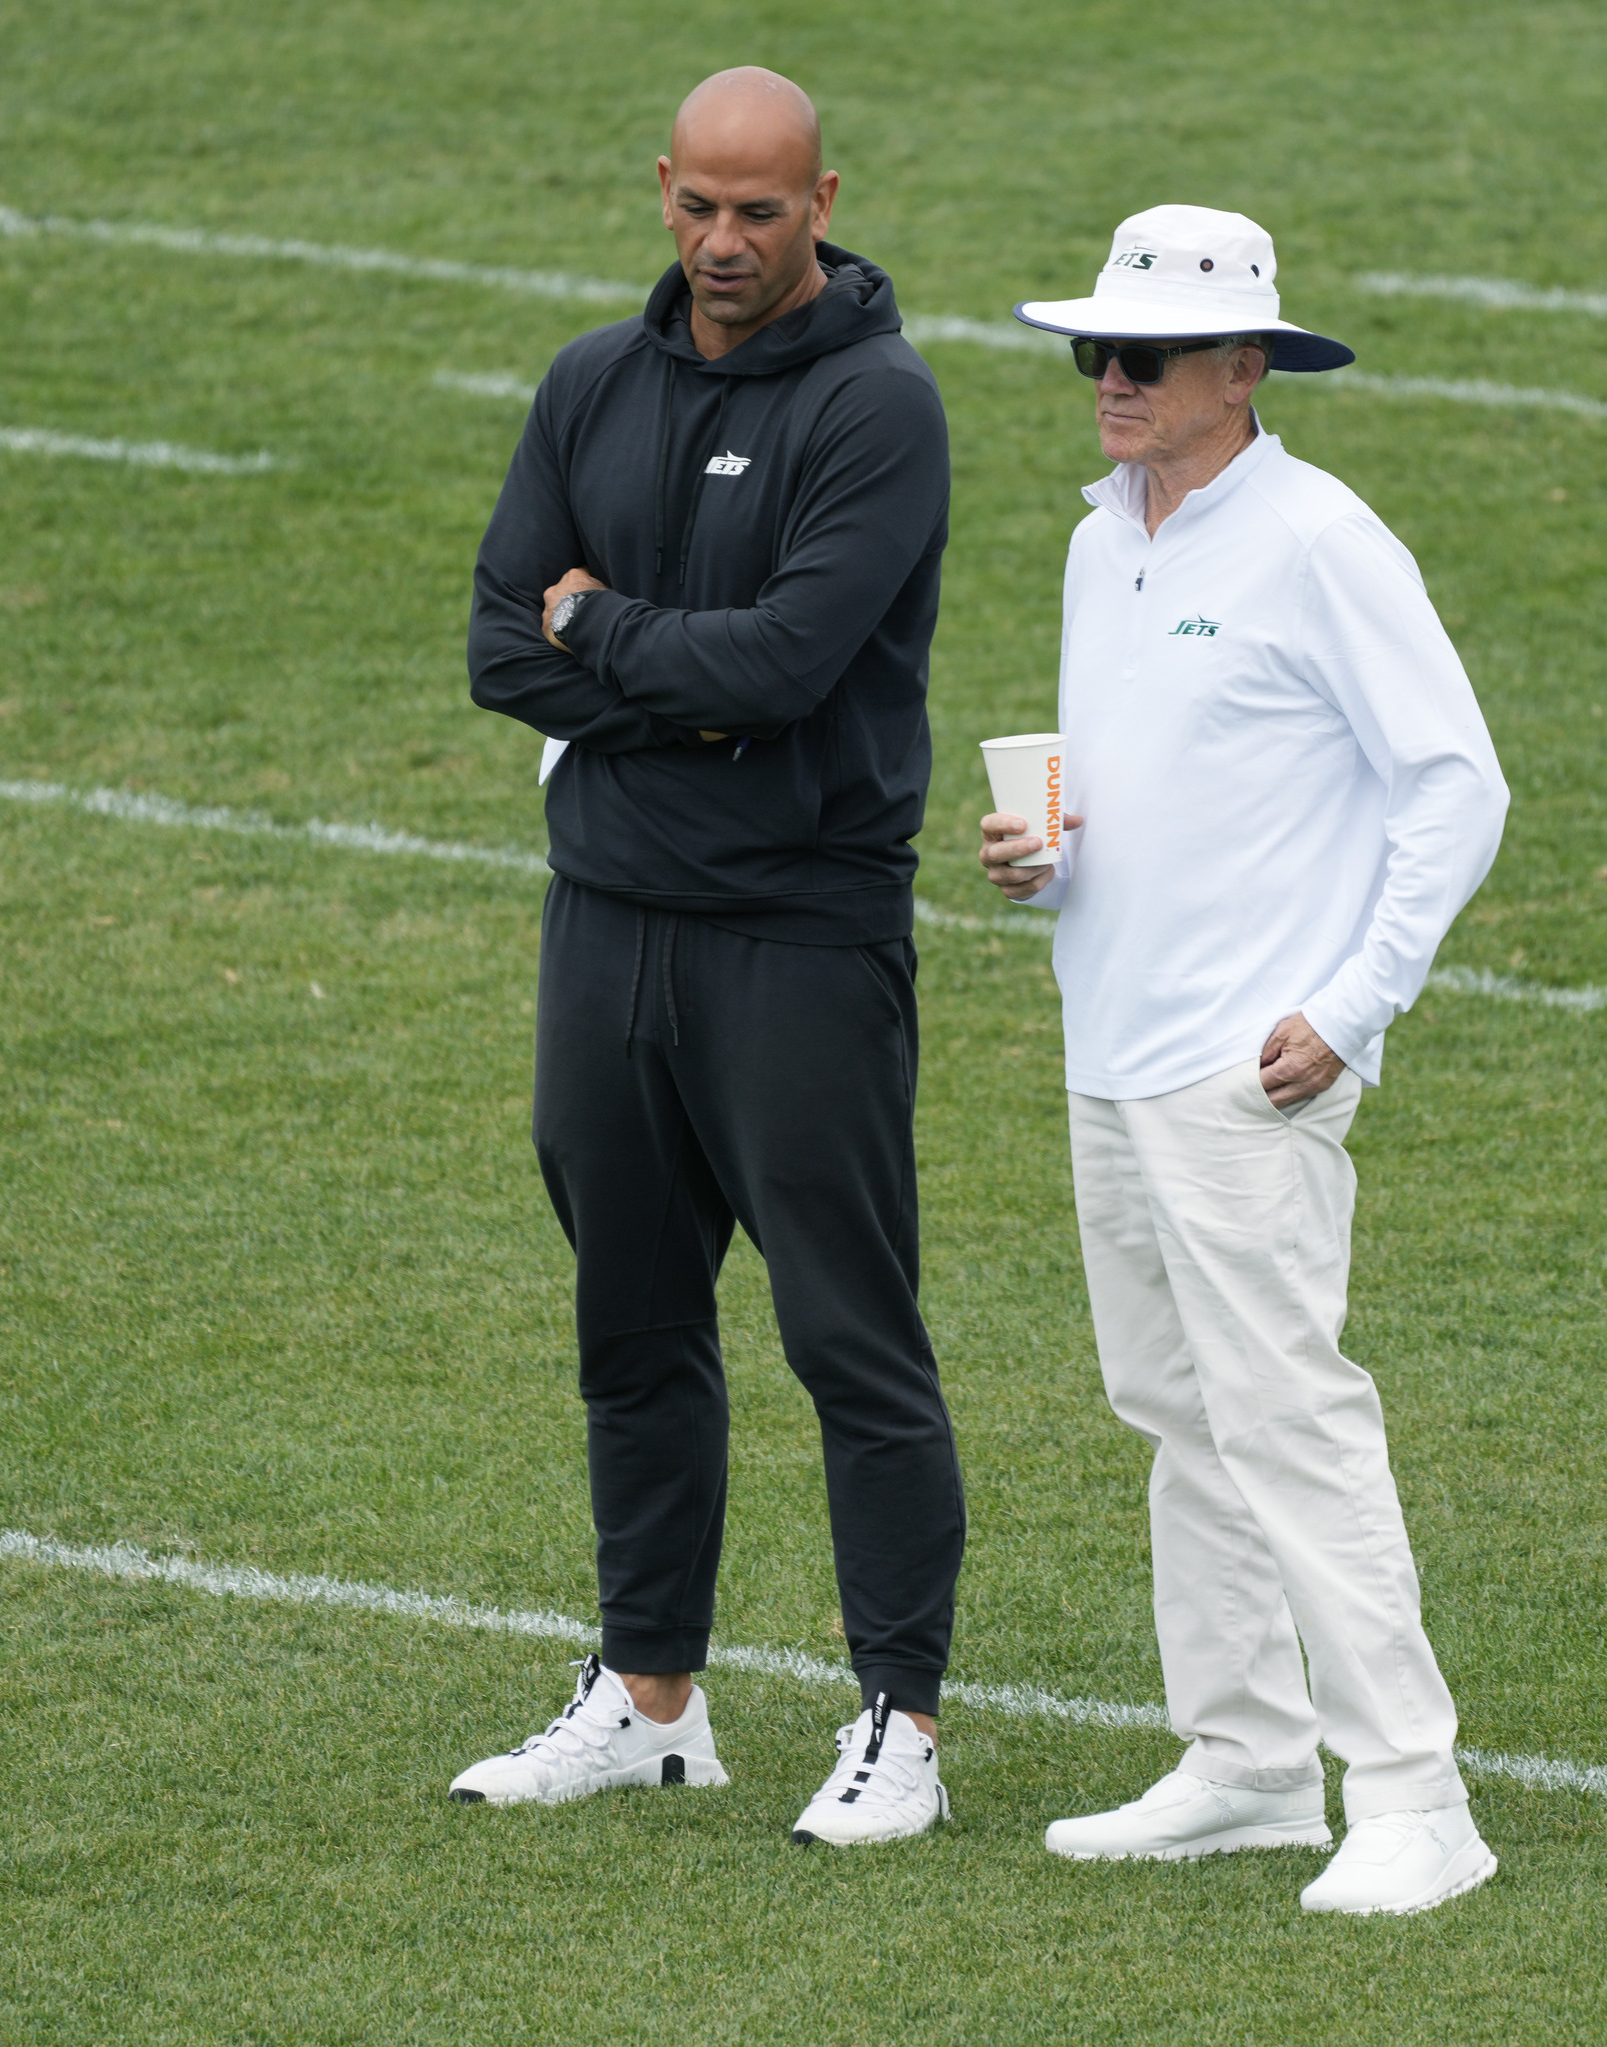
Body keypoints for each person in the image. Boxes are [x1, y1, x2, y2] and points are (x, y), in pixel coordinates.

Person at [453, 66, 962, 1848]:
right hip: (606, 935)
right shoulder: (592, 377)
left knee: (852, 1339)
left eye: (763, 211)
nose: (726, 243)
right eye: (699, 208)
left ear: (828, 197)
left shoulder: (881, 410)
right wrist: (660, 674)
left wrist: (610, 635)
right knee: (631, 1326)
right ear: (661, 187)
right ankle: (650, 1696)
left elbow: (788, 670)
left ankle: (901, 1721)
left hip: (798, 947)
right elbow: (500, 648)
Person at [981, 206, 1512, 1914]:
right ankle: (1248, 1765)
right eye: (1094, 354)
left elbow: (1457, 784)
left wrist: (1354, 1005)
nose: (1111, 383)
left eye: (1142, 357)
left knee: (1288, 1418)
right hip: (1109, 1041)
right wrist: (1045, 858)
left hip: (1248, 1065)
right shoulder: (1101, 536)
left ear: (1241, 369)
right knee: (1177, 1414)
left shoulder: (1319, 541)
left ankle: (1418, 1800)